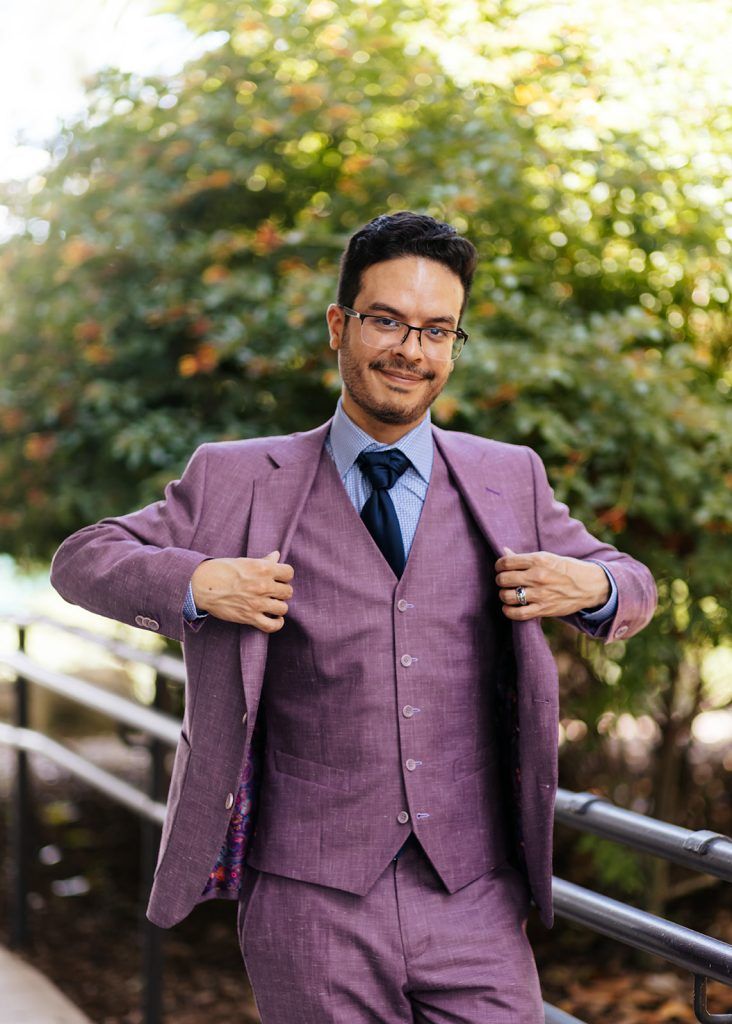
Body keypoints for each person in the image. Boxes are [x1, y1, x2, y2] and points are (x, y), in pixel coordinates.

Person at [50, 211, 657, 1023]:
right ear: (340, 325)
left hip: (473, 894)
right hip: (309, 900)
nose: (412, 349)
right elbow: (82, 558)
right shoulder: (238, 478)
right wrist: (198, 582)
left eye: (437, 330)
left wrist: (592, 586)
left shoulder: (510, 476)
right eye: (387, 321)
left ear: (452, 345)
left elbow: (631, 580)